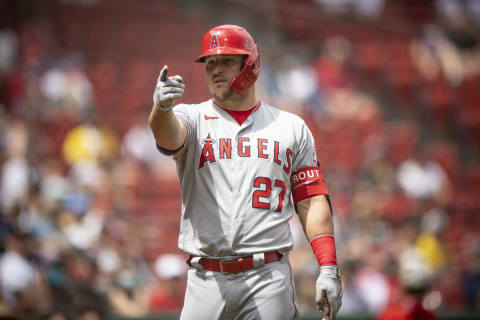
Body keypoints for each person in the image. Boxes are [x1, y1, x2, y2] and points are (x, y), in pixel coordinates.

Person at [149, 24, 342, 320]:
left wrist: (328, 266)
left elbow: (311, 200)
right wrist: (161, 109)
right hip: (205, 278)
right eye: (209, 63)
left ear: (250, 64)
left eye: (226, 61)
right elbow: (167, 135)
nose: (215, 69)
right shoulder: (192, 117)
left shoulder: (290, 126)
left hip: (267, 277)